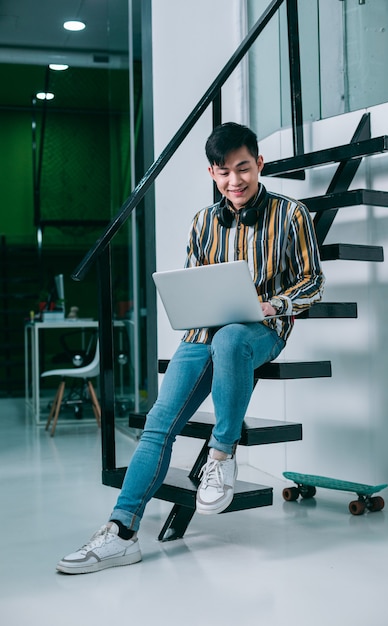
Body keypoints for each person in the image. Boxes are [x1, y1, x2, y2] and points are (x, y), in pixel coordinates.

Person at [57, 122, 324, 574]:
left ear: (259, 164)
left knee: (233, 335)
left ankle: (221, 454)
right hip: (202, 335)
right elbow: (192, 283)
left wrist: (271, 303)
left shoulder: (291, 214)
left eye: (243, 168)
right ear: (212, 173)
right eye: (223, 172)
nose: (234, 181)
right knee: (159, 423)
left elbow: (313, 282)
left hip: (260, 330)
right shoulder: (202, 222)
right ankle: (121, 532)